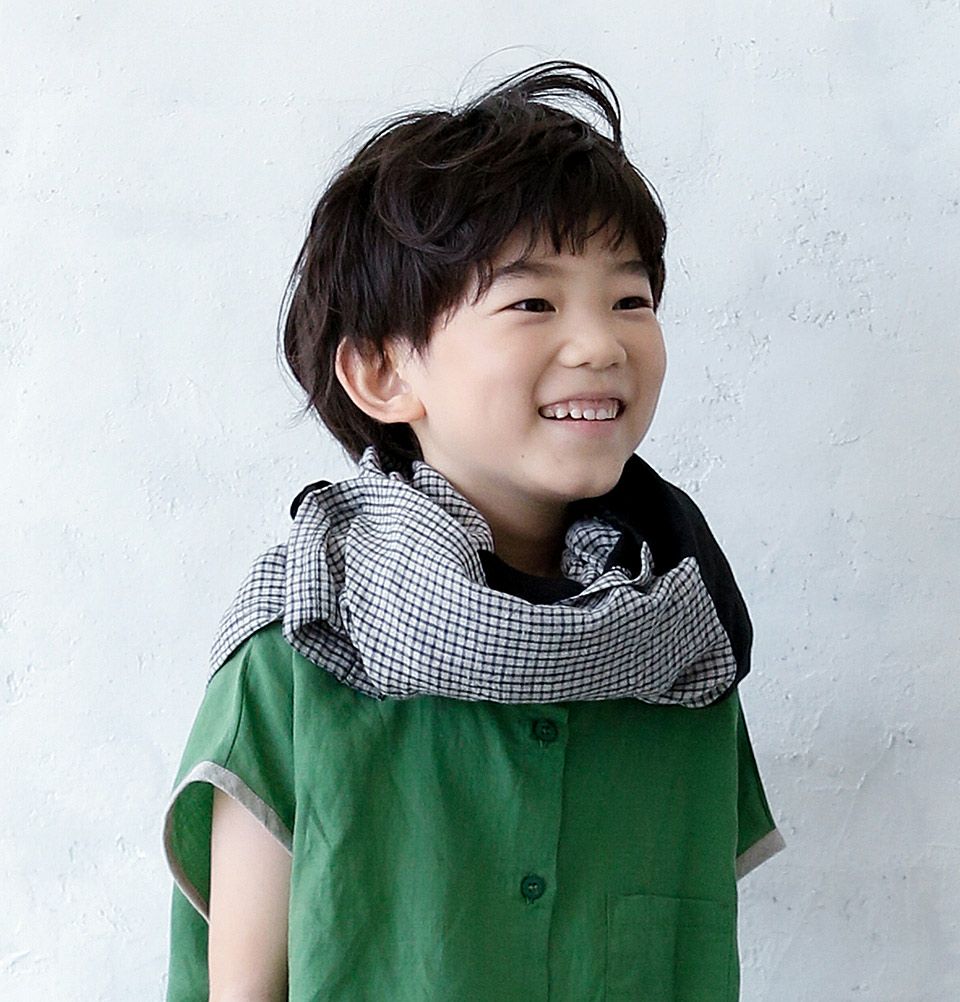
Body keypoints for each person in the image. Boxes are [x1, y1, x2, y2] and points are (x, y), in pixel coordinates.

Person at [162, 59, 785, 1001]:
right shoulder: (297, 650)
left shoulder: (679, 646)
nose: (601, 344)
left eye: (630, 300)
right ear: (383, 373)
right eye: (532, 302)